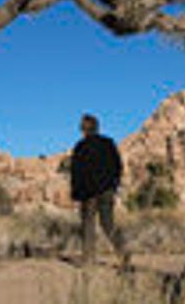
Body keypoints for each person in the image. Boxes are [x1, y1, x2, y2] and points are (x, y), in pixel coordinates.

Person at [69, 113, 130, 267]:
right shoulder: (108, 143)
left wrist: (76, 193)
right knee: (107, 223)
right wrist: (113, 185)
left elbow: (76, 172)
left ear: (84, 128)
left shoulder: (80, 147)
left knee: (87, 225)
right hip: (106, 190)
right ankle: (123, 252)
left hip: (88, 193)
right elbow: (118, 166)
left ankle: (88, 260)